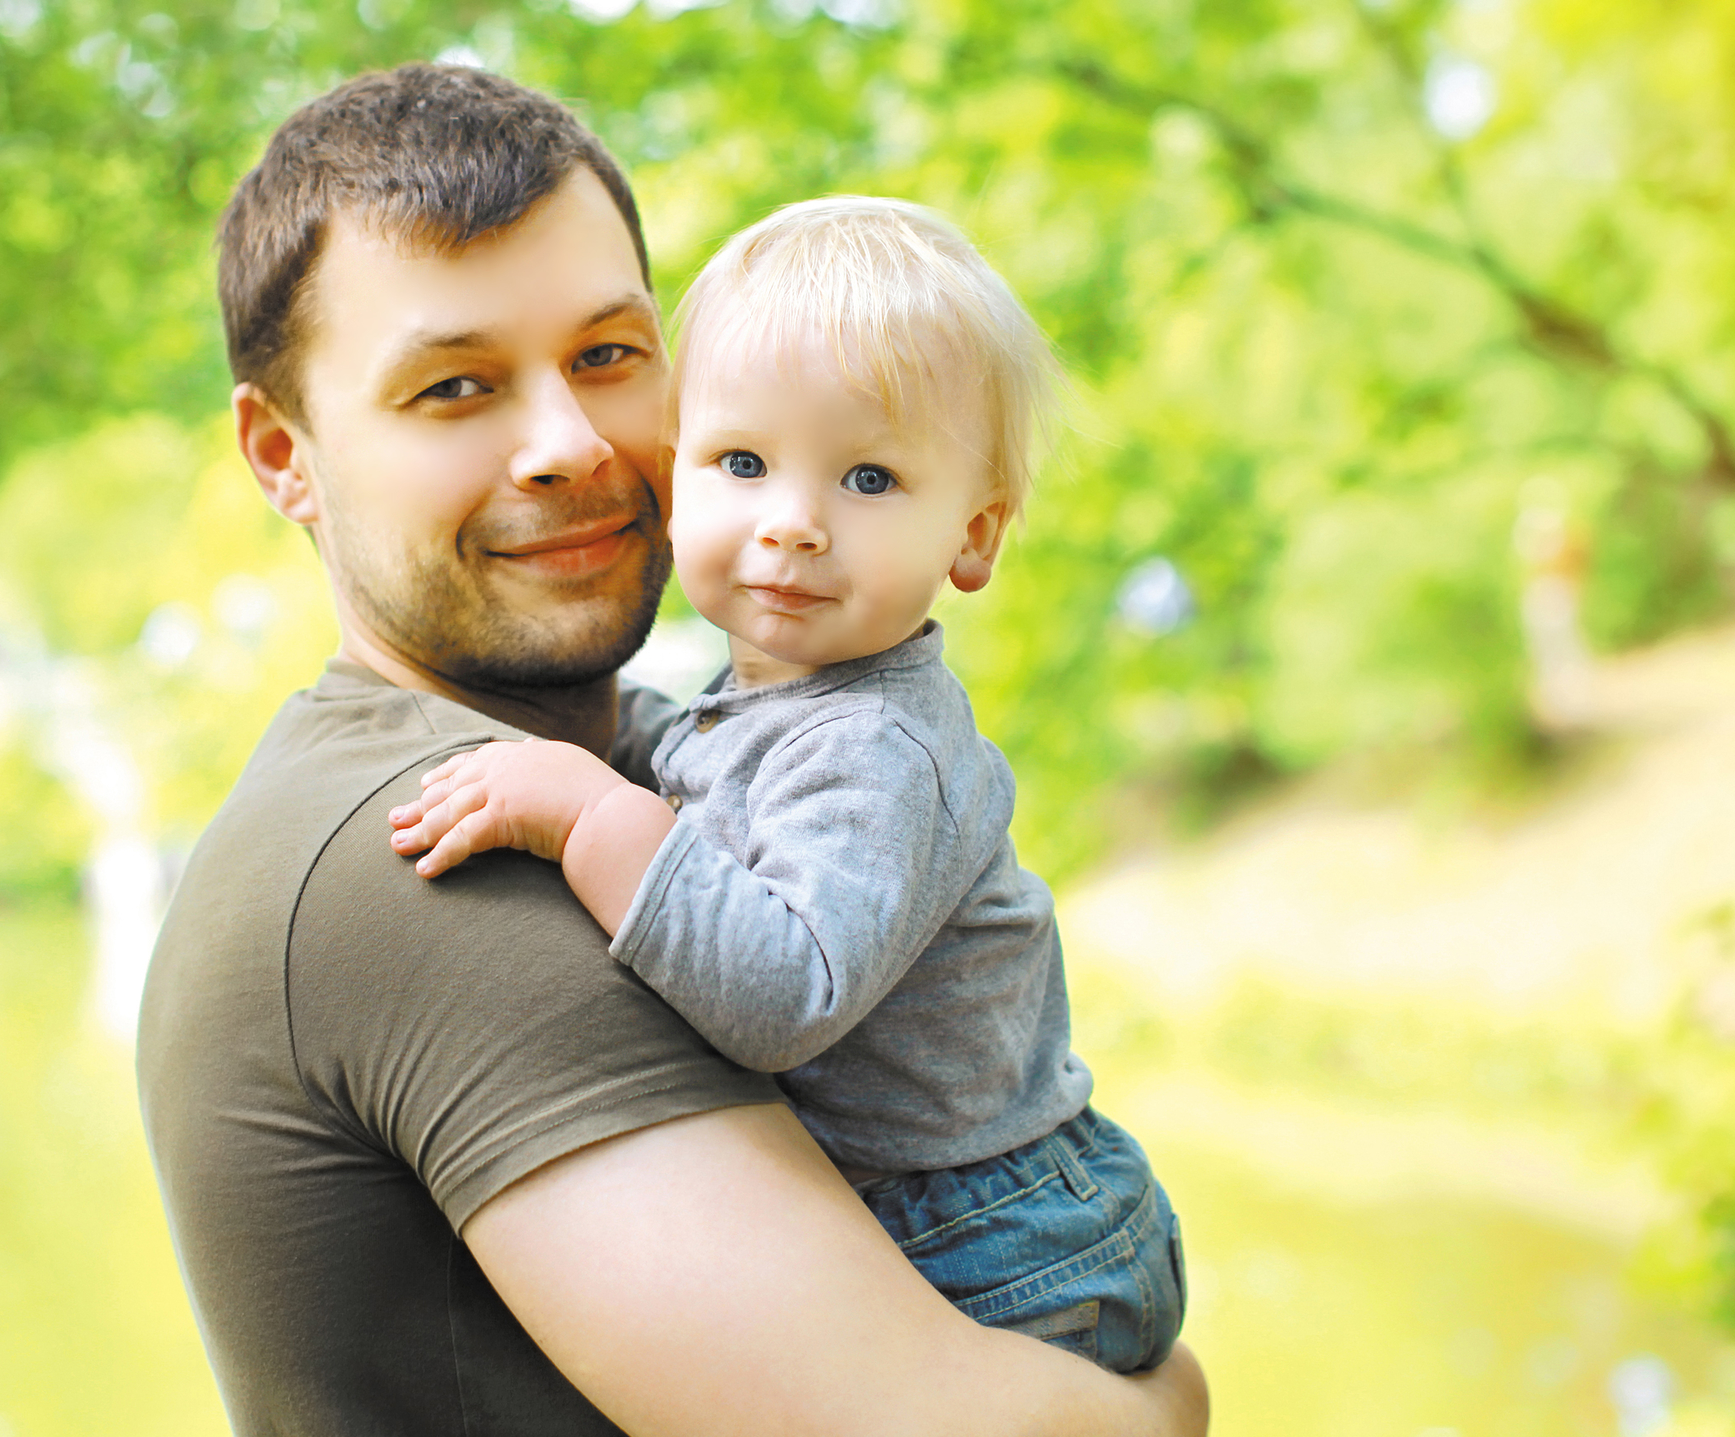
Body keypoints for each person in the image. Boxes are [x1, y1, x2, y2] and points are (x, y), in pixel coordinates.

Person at [137, 63, 1213, 1437]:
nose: (571, 444)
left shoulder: (665, 742)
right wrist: (1165, 1423)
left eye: (607, 355)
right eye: (454, 386)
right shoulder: (422, 855)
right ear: (286, 455)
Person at [389, 196, 1185, 1375]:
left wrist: (591, 815)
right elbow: (706, 792)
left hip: (994, 1234)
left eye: (868, 478)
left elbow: (785, 992)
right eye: (744, 462)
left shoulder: (873, 745)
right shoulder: (763, 703)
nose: (793, 524)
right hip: (935, 1208)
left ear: (971, 538)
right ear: (675, 471)